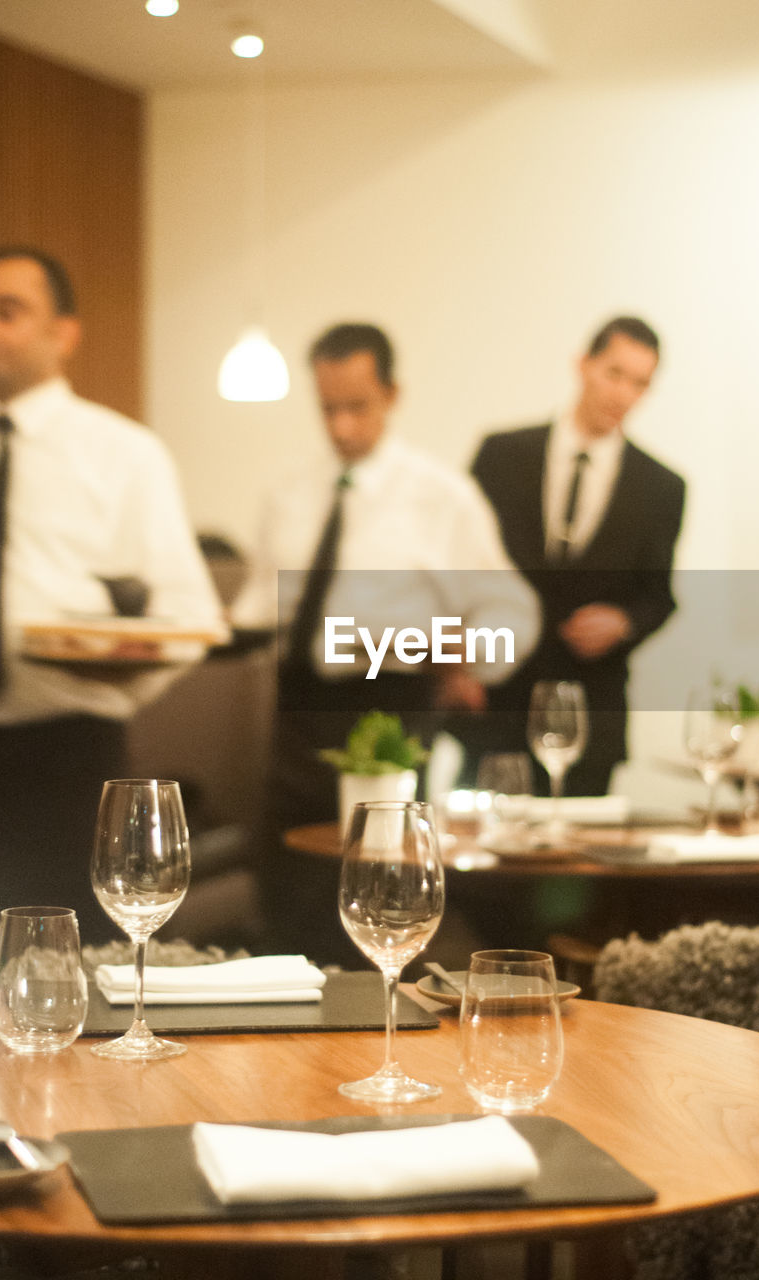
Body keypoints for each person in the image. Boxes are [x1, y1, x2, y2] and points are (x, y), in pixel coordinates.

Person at [234, 322, 541, 960]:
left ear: (392, 395)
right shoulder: (290, 493)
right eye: (328, 409)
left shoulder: (441, 497)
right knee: (288, 893)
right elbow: (262, 603)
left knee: (374, 891)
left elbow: (510, 608)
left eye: (357, 407)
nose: (342, 427)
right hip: (295, 710)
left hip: (388, 704)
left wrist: (468, 664)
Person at [0, 246, 223, 955]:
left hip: (62, 749)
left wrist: (125, 677)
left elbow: (188, 612)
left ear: (64, 331)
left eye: (8, 311)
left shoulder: (124, 453)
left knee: (63, 973)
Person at [469, 315, 686, 796]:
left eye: (640, 383)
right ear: (583, 364)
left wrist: (623, 623)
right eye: (615, 373)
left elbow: (659, 595)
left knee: (577, 866)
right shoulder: (501, 456)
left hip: (592, 708)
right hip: (498, 701)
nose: (623, 394)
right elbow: (463, 573)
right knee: (484, 860)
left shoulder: (662, 488)